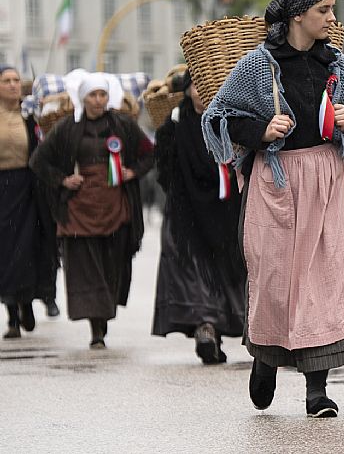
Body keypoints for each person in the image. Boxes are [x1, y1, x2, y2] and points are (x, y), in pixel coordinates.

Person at [203, 0, 344, 419]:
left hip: (327, 179)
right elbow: (220, 116)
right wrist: (260, 131)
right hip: (277, 181)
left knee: (324, 281)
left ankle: (316, 391)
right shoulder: (257, 66)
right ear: (297, 14)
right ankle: (265, 357)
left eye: (332, 9)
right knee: (278, 280)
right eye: (324, 10)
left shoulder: (337, 65)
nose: (332, 18)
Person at [29, 71, 153, 349]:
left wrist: (133, 172)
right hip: (78, 208)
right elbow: (38, 160)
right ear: (83, 98)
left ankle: (104, 316)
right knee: (86, 267)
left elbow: (149, 152)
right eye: (93, 95)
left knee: (111, 263)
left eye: (102, 94)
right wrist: (63, 179)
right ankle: (95, 327)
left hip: (115, 205)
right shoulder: (67, 127)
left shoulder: (123, 124)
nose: (98, 100)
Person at [152, 71, 246, 364]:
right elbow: (163, 169)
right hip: (187, 212)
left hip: (225, 210)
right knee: (193, 270)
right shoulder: (174, 125)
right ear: (187, 90)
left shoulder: (230, 122)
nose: (202, 93)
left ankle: (217, 328)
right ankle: (205, 325)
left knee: (224, 270)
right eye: (196, 87)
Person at [1, 66, 57, 338]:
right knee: (6, 252)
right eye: (6, 81)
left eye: (15, 80)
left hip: (28, 189)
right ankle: (12, 314)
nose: (12, 85)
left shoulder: (30, 116)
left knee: (28, 249)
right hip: (2, 191)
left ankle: (28, 302)